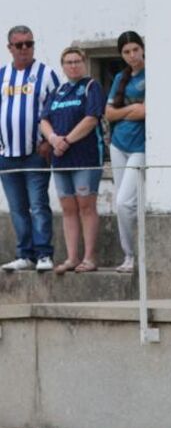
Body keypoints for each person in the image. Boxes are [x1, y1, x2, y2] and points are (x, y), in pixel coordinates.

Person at [39, 47, 106, 273]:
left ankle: (89, 258)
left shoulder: (91, 87)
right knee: (68, 208)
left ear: (84, 63)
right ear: (63, 66)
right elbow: (44, 120)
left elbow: (91, 119)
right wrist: (53, 139)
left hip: (85, 158)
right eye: (68, 62)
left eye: (77, 61)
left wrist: (66, 141)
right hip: (60, 160)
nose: (73, 65)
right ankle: (72, 257)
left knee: (86, 206)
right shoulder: (57, 92)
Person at [0, 26, 60, 272]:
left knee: (38, 205)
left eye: (29, 43)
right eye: (19, 45)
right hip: (6, 155)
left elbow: (57, 109)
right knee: (17, 208)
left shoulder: (46, 74)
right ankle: (25, 254)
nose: (25, 48)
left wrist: (48, 141)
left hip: (36, 153)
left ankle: (43, 254)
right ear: (10, 48)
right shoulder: (2, 75)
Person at [104, 31, 146, 273]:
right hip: (118, 145)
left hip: (140, 147)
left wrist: (125, 112)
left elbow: (146, 111)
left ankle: (137, 253)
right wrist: (132, 109)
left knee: (124, 202)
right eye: (126, 52)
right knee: (123, 204)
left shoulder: (152, 73)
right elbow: (109, 114)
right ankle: (128, 255)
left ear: (142, 48)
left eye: (135, 50)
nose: (132, 55)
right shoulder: (121, 77)